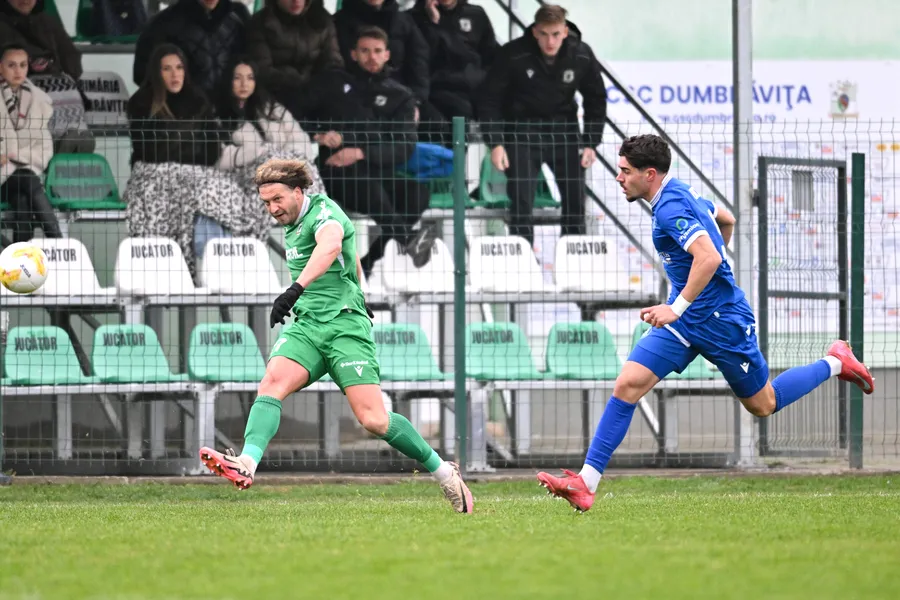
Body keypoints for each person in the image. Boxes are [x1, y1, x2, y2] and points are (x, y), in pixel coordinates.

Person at [537, 134, 875, 512]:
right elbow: (726, 219)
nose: (619, 177)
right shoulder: (679, 193)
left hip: (722, 321)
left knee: (764, 404)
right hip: (686, 321)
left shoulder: (669, 208)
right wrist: (687, 298)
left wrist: (679, 305)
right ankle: (586, 483)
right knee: (628, 384)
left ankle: (836, 362)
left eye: (625, 171)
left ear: (650, 174)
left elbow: (710, 258)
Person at [199, 158, 474, 514]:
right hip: (308, 325)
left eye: (278, 199)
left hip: (344, 327)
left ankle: (444, 473)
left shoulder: (325, 213)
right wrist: (360, 290)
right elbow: (351, 255)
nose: (273, 208)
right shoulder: (292, 221)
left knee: (374, 419)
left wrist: (295, 289)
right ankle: (247, 464)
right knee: (272, 383)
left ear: (298, 191)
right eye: (266, 202)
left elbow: (331, 247)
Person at [302, 25, 434, 279]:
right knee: (367, 185)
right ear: (353, 54)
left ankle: (370, 260)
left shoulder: (400, 96)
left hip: (377, 170)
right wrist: (317, 134)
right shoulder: (333, 83)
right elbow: (297, 114)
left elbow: (404, 147)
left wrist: (360, 152)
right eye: (364, 51)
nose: (371, 57)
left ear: (387, 54)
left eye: (377, 51)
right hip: (337, 171)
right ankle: (407, 239)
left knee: (418, 193)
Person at [124, 44, 264, 272]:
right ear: (157, 73)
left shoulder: (198, 101)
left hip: (197, 173)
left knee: (225, 191)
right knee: (198, 191)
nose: (174, 74)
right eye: (167, 69)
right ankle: (207, 260)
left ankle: (222, 261)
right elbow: (151, 151)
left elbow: (210, 151)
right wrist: (188, 149)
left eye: (179, 68)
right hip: (153, 174)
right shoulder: (141, 103)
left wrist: (182, 149)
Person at [477, 4, 606, 248]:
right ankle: (523, 260)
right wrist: (495, 143)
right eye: (544, 34)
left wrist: (591, 141)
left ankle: (572, 259)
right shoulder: (513, 54)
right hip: (523, 132)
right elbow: (489, 100)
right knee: (521, 202)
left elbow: (596, 98)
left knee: (575, 201)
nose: (550, 41)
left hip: (565, 133)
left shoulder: (581, 54)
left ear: (565, 31)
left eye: (556, 34)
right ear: (535, 31)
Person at [409, 0, 498, 144]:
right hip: (438, 89)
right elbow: (423, 57)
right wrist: (433, 23)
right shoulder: (415, 17)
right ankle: (455, 157)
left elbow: (491, 55)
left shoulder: (476, 14)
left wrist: (482, 81)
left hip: (474, 88)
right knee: (457, 114)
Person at [0, 43, 62, 244]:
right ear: (0, 67)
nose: (18, 71)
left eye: (23, 65)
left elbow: (45, 150)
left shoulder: (39, 102)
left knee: (23, 199)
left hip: (22, 177)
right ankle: (58, 242)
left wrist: (13, 156)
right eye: (11, 65)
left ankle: (20, 256)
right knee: (28, 181)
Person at [245, 0, 344, 120]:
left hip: (317, 98)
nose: (296, 1)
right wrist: (296, 84)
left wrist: (314, 89)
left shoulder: (322, 20)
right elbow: (262, 69)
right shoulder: (261, 23)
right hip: (276, 99)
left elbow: (333, 63)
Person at [133, 0, 250, 99]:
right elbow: (142, 74)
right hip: (186, 113)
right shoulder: (163, 23)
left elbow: (252, 64)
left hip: (232, 112)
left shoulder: (239, 17)